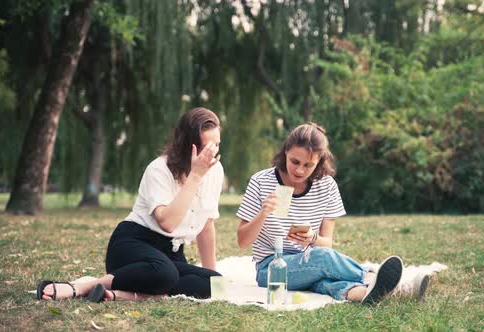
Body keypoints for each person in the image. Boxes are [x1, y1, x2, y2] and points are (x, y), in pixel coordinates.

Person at [37, 107, 224, 302]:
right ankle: (83, 287)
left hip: (170, 254)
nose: (211, 155)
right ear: (187, 144)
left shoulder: (216, 171)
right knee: (165, 274)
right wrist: (195, 176)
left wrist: (212, 277)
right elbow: (168, 223)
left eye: (217, 145)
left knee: (214, 283)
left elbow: (207, 225)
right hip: (133, 245)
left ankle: (124, 295)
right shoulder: (159, 169)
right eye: (206, 148)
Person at [236, 122, 404, 304]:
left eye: (308, 165)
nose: (300, 170)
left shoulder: (327, 186)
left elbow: (326, 243)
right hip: (271, 269)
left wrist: (312, 238)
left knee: (323, 280)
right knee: (322, 260)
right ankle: (376, 279)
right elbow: (242, 242)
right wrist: (263, 213)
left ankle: (365, 294)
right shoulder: (261, 181)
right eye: (294, 161)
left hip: (310, 263)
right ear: (285, 151)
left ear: (319, 161)